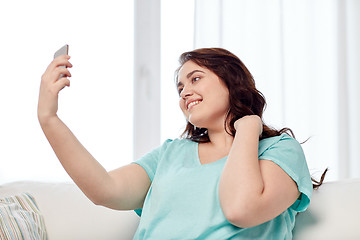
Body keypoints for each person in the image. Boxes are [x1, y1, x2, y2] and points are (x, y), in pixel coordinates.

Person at [38, 47, 323, 239]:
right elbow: (105, 190)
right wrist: (49, 118)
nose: (185, 92)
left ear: (231, 82)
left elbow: (241, 209)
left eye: (195, 78)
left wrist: (248, 127)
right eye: (180, 88)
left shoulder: (280, 150)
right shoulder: (170, 153)